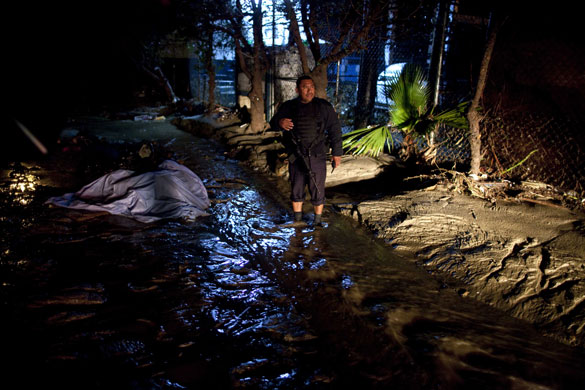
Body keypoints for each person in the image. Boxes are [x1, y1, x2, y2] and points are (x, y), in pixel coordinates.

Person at [269, 75, 343, 226]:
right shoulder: (289, 106)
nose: (309, 91)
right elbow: (272, 124)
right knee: (296, 187)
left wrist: (337, 153)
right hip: (295, 155)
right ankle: (297, 220)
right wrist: (280, 122)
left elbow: (335, 129)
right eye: (305, 87)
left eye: (311, 87)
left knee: (317, 189)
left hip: (317, 155)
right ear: (297, 90)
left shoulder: (324, 107)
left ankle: (317, 221)